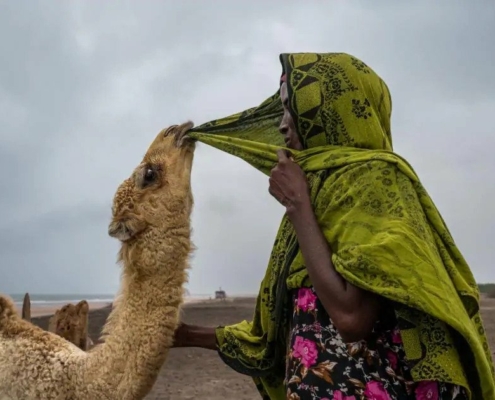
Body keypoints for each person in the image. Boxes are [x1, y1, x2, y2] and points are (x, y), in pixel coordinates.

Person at [178, 53, 495, 399]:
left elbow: (350, 318)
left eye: (292, 110)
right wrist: (185, 335)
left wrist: (298, 205)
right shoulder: (321, 199)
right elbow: (275, 339)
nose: (283, 125)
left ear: (332, 110)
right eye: (282, 110)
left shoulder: (374, 181)